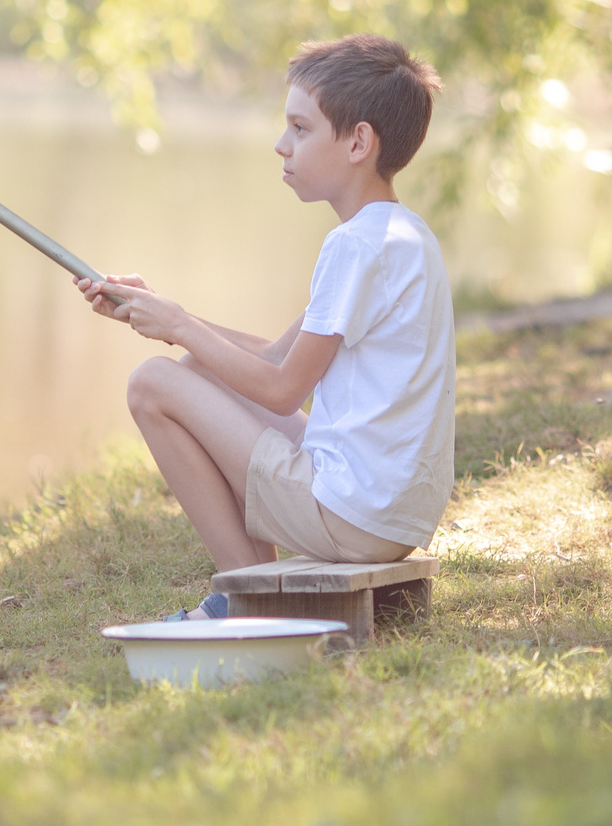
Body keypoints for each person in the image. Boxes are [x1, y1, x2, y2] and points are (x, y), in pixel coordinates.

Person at [78, 34, 457, 621]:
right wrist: (158, 312)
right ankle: (253, 586)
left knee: (152, 384)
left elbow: (283, 389)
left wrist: (177, 326)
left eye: (301, 130)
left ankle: (246, 597)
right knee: (197, 367)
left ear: (358, 142)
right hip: (386, 512)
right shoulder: (401, 234)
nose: (282, 146)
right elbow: (279, 356)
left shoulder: (353, 245)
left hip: (351, 516)